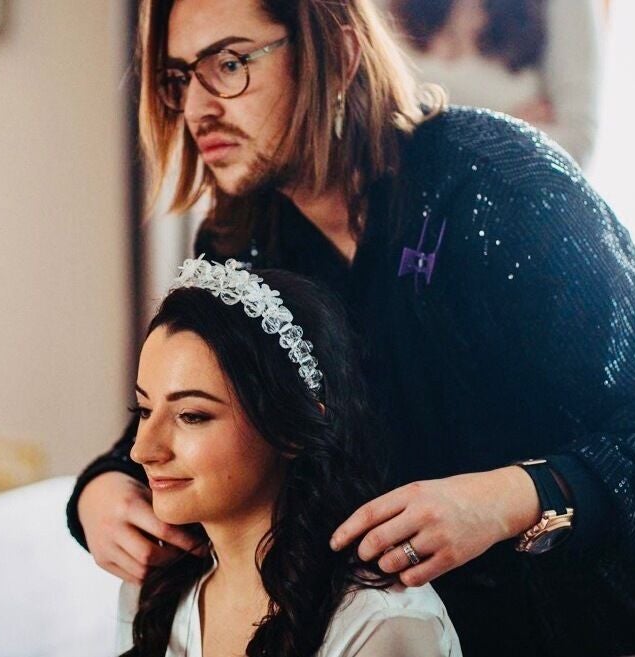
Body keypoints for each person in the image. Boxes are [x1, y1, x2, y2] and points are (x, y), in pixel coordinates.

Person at [66, 0, 635, 654]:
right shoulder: (240, 243)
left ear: (337, 52)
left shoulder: (498, 184)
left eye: (228, 63)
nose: (196, 108)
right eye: (178, 78)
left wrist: (512, 497)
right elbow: (177, 423)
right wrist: (101, 491)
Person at [117, 258, 462, 656]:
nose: (142, 450)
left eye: (192, 416)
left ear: (290, 429)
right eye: (144, 411)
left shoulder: (381, 624)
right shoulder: (152, 588)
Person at [380, 0, 601, 168]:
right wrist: (506, 130)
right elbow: (364, 117)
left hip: (508, 216)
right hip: (391, 208)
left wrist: (419, 130)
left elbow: (576, 143)